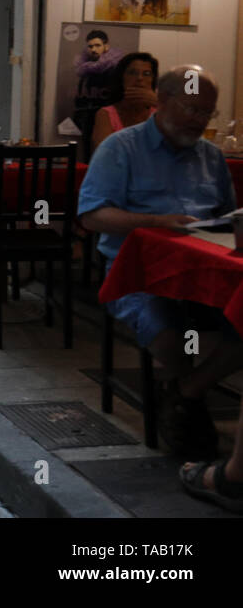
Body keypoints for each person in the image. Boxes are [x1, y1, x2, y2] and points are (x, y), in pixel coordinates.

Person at [78, 65, 243, 462]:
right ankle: (186, 401)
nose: (200, 121)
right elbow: (91, 216)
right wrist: (155, 222)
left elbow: (226, 216)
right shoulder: (122, 148)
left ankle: (186, 392)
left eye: (207, 113)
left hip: (203, 274)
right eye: (192, 109)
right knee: (171, 338)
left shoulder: (210, 156)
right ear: (163, 102)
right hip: (138, 274)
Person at [91, 52, 159, 151]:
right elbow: (103, 154)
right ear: (122, 78)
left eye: (146, 74)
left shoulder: (160, 112)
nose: (140, 78)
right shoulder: (105, 114)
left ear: (152, 80)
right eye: (132, 73)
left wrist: (159, 103)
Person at [74, 29, 124, 156]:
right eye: (90, 46)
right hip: (87, 116)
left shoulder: (115, 69)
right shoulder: (85, 70)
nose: (93, 49)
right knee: (88, 151)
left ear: (106, 47)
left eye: (97, 45)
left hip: (108, 117)